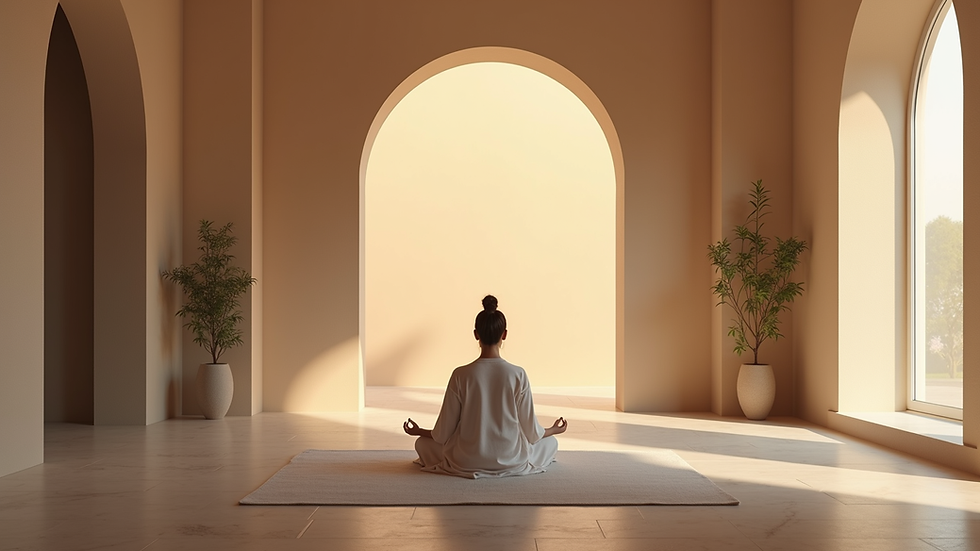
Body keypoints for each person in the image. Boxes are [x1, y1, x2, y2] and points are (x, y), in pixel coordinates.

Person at [402, 295, 568, 478]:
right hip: (511, 459)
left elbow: (442, 435)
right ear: (504, 334)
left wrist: (419, 432)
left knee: (421, 444)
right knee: (551, 443)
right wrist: (553, 430)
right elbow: (532, 433)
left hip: (465, 460)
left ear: (476, 334)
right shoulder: (518, 374)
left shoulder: (460, 375)